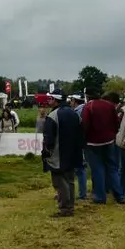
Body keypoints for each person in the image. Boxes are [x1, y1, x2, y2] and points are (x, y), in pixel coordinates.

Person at [41, 89, 84, 217]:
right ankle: (70, 206)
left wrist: (46, 152)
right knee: (70, 180)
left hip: (58, 155)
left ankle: (65, 208)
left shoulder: (53, 116)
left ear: (55, 100)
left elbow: (48, 138)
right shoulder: (74, 113)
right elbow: (81, 132)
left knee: (59, 182)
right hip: (73, 153)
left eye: (50, 99)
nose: (49, 101)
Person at [82, 87, 122, 204]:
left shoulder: (89, 106)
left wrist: (84, 139)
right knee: (113, 169)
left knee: (98, 169)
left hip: (93, 143)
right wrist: (112, 134)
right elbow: (116, 123)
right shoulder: (109, 105)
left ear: (88, 96)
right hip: (109, 141)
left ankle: (100, 197)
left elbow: (85, 125)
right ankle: (119, 195)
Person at [69, 95, 88, 201]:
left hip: (78, 143)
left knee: (80, 169)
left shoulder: (77, 112)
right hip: (85, 142)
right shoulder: (85, 108)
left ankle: (82, 193)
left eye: (71, 101)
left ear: (75, 101)